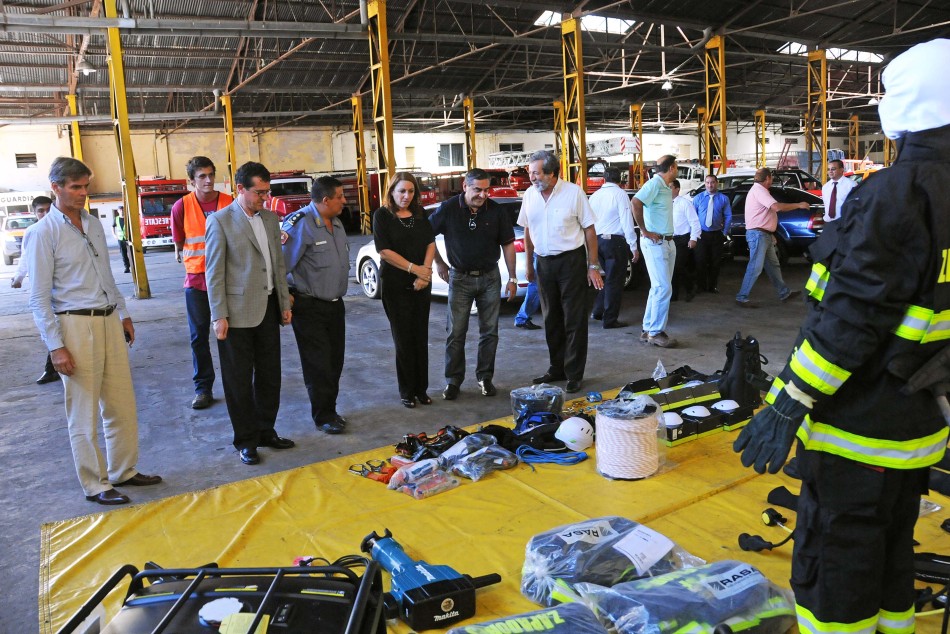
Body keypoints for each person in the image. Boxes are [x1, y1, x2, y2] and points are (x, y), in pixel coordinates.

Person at [733, 38, 950, 634]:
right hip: (918, 429)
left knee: (837, 558)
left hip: (857, 427)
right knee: (891, 552)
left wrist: (788, 400)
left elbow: (849, 320)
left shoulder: (895, 194)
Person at [27, 157, 161, 505]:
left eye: (85, 186)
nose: (83, 193)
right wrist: (56, 346)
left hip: (107, 320)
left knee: (121, 403)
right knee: (83, 410)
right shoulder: (42, 234)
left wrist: (124, 313)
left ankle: (124, 471)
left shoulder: (94, 224)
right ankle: (95, 483)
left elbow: (106, 275)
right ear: (55, 188)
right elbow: (39, 298)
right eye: (75, 187)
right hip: (74, 325)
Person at [205, 161, 294, 466]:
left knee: (270, 376)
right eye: (259, 192)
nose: (264, 198)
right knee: (238, 380)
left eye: (267, 192)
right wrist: (219, 315)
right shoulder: (220, 221)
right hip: (236, 313)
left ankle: (266, 430)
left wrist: (284, 303)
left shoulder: (270, 219)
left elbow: (278, 265)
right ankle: (246, 440)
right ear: (240, 189)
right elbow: (213, 273)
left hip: (268, 308)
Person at [519, 151, 603, 394]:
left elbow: (589, 230)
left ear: (552, 173)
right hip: (543, 263)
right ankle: (557, 368)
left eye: (536, 173)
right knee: (551, 318)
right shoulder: (529, 195)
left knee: (574, 319)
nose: (531, 177)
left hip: (571, 262)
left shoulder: (573, 193)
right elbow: (527, 229)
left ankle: (574, 373)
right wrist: (529, 264)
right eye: (530, 172)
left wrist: (593, 265)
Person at [431, 168, 518, 400]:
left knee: (490, 332)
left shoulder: (496, 212)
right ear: (465, 186)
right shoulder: (449, 209)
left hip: (490, 278)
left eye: (486, 190)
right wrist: (439, 263)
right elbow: (426, 236)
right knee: (456, 332)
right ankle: (453, 381)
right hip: (459, 278)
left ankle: (485, 378)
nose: (482, 194)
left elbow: (508, 244)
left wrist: (512, 278)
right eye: (477, 189)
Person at [282, 176, 350, 434]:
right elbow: (280, 264)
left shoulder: (337, 223)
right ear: (325, 200)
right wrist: (285, 294)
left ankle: (330, 408)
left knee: (335, 361)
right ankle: (323, 415)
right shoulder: (300, 224)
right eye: (340, 197)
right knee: (317, 365)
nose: (344, 201)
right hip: (309, 306)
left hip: (335, 305)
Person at [170, 156, 233, 410]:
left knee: (230, 335)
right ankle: (203, 388)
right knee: (198, 337)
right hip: (197, 281)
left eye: (210, 175)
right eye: (201, 176)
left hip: (229, 279)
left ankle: (235, 383)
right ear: (191, 180)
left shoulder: (229, 203)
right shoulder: (181, 206)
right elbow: (179, 241)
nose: (208, 180)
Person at [373, 172, 436, 408]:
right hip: (396, 285)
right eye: (401, 191)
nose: (406, 196)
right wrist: (415, 270)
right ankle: (407, 391)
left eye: (410, 191)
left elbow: (431, 243)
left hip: (421, 284)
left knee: (420, 337)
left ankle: (421, 389)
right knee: (403, 338)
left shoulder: (420, 214)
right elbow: (384, 251)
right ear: (391, 191)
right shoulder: (382, 215)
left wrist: (425, 272)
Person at [735, 169, 808, 308]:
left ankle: (784, 292)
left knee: (773, 265)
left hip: (763, 234)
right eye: (771, 178)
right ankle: (741, 296)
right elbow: (776, 207)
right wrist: (798, 205)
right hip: (759, 235)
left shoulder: (758, 190)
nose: (772, 181)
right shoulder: (759, 191)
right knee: (755, 267)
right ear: (767, 178)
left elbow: (763, 214)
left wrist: (770, 232)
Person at [632, 155, 679, 348]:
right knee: (663, 288)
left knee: (658, 287)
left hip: (666, 241)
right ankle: (655, 332)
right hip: (655, 242)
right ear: (672, 168)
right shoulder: (655, 184)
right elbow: (635, 202)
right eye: (676, 166)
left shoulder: (666, 187)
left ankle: (647, 329)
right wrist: (644, 230)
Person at [11, 196, 59, 384]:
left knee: (60, 326)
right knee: (53, 325)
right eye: (41, 211)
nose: (45, 214)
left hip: (64, 289)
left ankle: (52, 368)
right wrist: (19, 277)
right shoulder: (33, 231)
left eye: (49, 209)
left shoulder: (61, 229)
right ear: (34, 212)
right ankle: (53, 367)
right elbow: (25, 257)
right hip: (43, 287)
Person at [589, 167, 639, 328]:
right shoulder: (620, 194)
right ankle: (609, 320)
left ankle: (597, 311)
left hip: (597, 242)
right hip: (614, 242)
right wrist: (633, 245)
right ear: (620, 180)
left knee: (609, 279)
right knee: (615, 282)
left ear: (604, 179)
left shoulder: (594, 196)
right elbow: (626, 221)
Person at [690, 174, 732, 293]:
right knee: (700, 261)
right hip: (701, 234)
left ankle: (712, 286)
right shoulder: (698, 198)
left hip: (716, 234)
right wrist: (693, 234)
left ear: (717, 183)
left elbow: (728, 216)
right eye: (707, 182)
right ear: (705, 183)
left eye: (712, 182)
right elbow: (692, 217)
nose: (710, 185)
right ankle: (701, 286)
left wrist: (724, 232)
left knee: (716, 262)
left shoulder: (723, 199)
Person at [670, 179, 700, 302]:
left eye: (670, 187)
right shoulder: (664, 204)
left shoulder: (685, 203)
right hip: (669, 239)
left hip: (682, 239)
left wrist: (693, 238)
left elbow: (695, 222)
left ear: (677, 189)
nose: (668, 189)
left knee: (678, 266)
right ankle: (674, 294)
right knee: (671, 267)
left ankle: (690, 288)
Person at [821, 158, 854, 223]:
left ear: (841, 170)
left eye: (833, 169)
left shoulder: (851, 185)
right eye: (828, 169)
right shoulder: (825, 187)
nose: (830, 171)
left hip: (844, 224)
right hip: (828, 224)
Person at [113, 208, 131, 273]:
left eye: (122, 210)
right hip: (121, 239)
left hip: (129, 239)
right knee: (124, 254)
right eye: (120, 210)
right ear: (118, 211)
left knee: (131, 253)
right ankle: (127, 267)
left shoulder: (128, 218)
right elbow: (113, 226)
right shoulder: (116, 219)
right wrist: (114, 234)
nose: (121, 211)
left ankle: (134, 267)